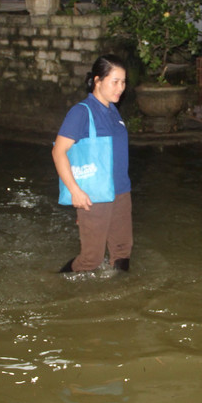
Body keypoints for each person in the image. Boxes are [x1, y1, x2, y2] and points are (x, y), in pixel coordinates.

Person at [52, 54, 132, 273]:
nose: (121, 87)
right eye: (115, 81)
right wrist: (75, 190)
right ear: (97, 81)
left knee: (123, 250)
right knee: (91, 258)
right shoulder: (81, 112)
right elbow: (58, 152)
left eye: (123, 82)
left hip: (121, 191)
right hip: (94, 194)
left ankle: (121, 298)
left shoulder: (113, 110)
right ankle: (57, 285)